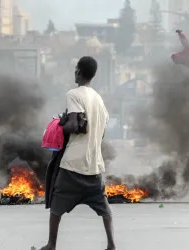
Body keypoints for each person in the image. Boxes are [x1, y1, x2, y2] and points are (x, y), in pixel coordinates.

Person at [33, 56, 116, 250]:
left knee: (56, 204)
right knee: (103, 207)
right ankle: (112, 245)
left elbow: (73, 125)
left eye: (75, 70)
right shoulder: (98, 99)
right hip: (94, 166)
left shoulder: (73, 94)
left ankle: (51, 245)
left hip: (72, 164)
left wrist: (60, 124)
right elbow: (100, 132)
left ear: (78, 72)